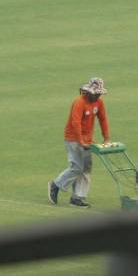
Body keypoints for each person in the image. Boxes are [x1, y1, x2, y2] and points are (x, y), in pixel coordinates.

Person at [48, 77, 110, 208]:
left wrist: (106, 137)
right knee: (77, 167)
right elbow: (75, 123)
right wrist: (80, 140)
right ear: (89, 92)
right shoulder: (79, 102)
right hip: (73, 138)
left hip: (88, 140)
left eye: (99, 94)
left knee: (86, 168)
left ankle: (77, 198)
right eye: (96, 93)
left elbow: (103, 119)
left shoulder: (99, 103)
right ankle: (56, 184)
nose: (98, 96)